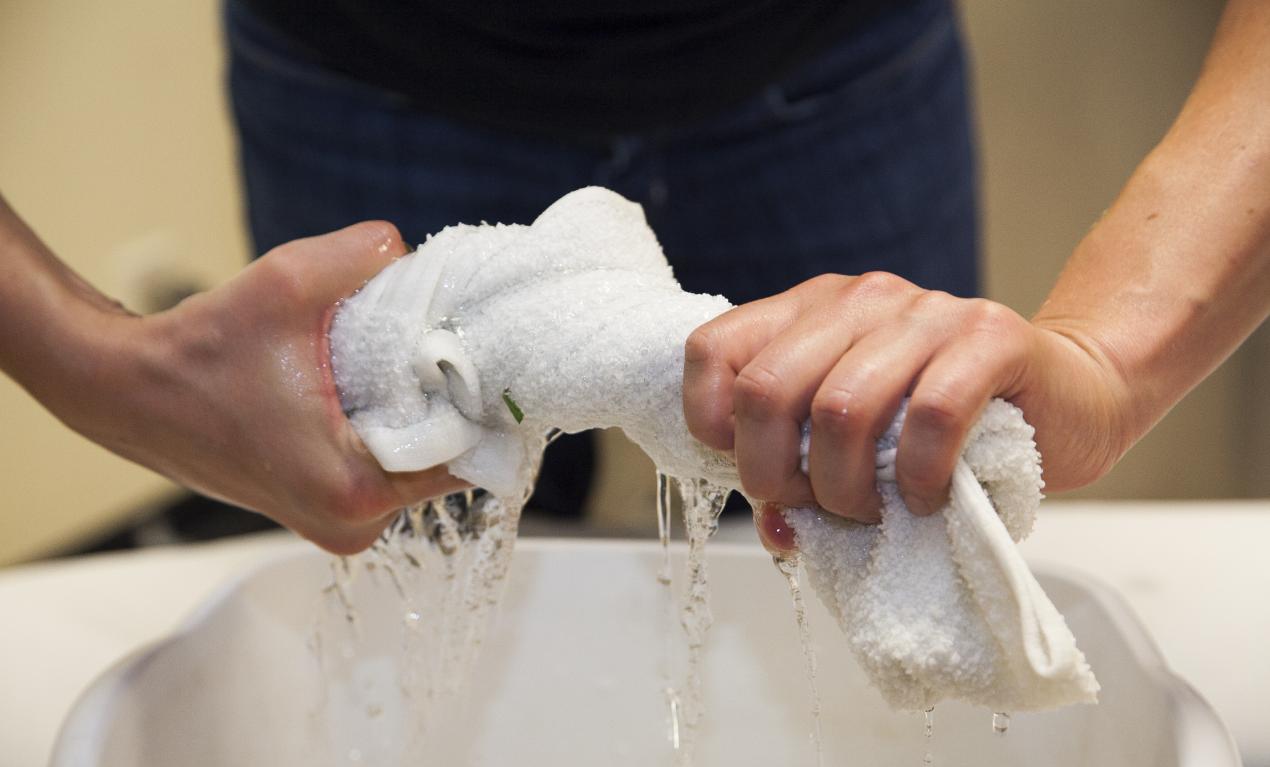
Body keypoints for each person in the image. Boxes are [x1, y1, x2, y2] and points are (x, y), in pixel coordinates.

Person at [2, 1, 1268, 555]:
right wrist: (91, 360)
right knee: (411, 604)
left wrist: (1110, 356)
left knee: (878, 535)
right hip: (367, 67)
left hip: (832, 61)